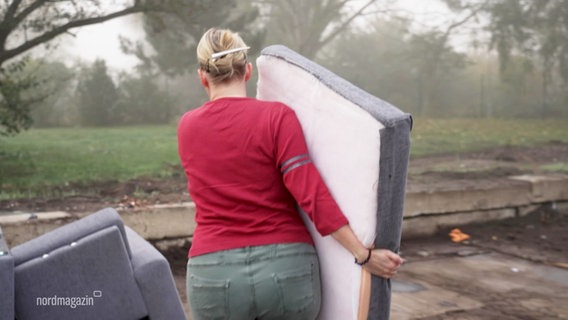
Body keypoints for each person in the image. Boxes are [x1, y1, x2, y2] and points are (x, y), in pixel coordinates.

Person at [177, 28, 404, 320]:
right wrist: (363, 255)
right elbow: (310, 192)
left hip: (213, 273)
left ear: (202, 76)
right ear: (247, 71)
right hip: (286, 269)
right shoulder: (277, 117)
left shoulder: (187, 128)